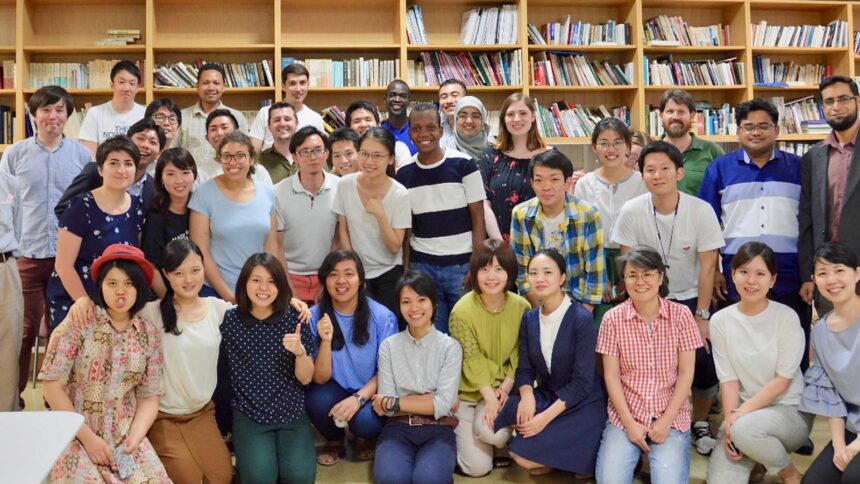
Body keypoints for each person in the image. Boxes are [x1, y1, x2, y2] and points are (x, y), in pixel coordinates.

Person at [612, 140, 725, 455]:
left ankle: (700, 421)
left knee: (703, 358)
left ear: (679, 172)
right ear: (642, 174)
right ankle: (640, 417)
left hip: (690, 298)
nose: (657, 175)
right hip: (646, 299)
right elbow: (629, 267)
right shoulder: (632, 211)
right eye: (650, 170)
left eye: (665, 169)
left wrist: (702, 316)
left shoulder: (700, 210)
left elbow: (708, 267)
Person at [40, 244, 170, 482]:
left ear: (140, 287)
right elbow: (51, 386)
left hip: (125, 439)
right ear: (100, 285)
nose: (120, 291)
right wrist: (88, 439)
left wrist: (134, 439)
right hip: (76, 436)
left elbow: (149, 396)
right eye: (112, 283)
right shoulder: (79, 322)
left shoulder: (148, 334)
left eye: (129, 283)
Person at [699, 98, 810, 370]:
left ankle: (792, 396)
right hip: (735, 276)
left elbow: (811, 221)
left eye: (764, 126)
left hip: (789, 275)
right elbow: (707, 225)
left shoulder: (799, 167)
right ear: (738, 131)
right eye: (749, 127)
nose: (756, 132)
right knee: (739, 351)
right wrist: (714, 271)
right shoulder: (719, 169)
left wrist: (809, 274)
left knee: (791, 347)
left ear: (777, 130)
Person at [0, 85, 91, 407]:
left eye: (60, 110)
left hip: (67, 259)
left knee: (63, 331)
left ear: (68, 115)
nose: (53, 116)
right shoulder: (14, 155)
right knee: (20, 333)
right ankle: (12, 400)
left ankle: (60, 404)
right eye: (46, 110)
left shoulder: (82, 156)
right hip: (27, 256)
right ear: (33, 114)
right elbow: (5, 206)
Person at [595, 246, 703, 483]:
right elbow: (611, 376)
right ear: (623, 280)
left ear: (660, 277)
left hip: (670, 416)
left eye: (648, 274)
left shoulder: (682, 315)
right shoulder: (612, 319)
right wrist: (629, 423)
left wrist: (666, 420)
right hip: (626, 416)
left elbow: (686, 373)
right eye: (632, 275)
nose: (640, 281)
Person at [493, 249, 606, 477]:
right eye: (533, 273)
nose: (540, 279)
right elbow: (525, 368)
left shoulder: (581, 319)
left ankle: (576, 456)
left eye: (547, 272)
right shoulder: (530, 319)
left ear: (562, 277)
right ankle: (558, 455)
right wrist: (527, 396)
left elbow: (582, 383)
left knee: (532, 456)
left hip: (582, 401)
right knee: (519, 453)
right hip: (549, 394)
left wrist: (543, 419)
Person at [706, 242, 810, 484]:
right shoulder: (720, 321)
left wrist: (739, 418)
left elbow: (783, 381)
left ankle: (788, 472)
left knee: (745, 431)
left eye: (760, 274)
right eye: (744, 272)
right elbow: (728, 380)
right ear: (733, 274)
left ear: (772, 280)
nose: (751, 281)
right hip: (742, 415)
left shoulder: (786, 317)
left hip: (788, 411)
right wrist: (729, 424)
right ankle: (758, 457)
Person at [141, 239, 234, 483]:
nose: (189, 279)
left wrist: (289, 303)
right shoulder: (152, 312)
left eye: (195, 270)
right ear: (166, 275)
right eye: (179, 273)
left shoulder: (217, 309)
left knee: (221, 477)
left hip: (202, 413)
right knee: (188, 479)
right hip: (163, 415)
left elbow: (256, 311)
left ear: (204, 268)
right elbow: (112, 313)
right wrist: (83, 304)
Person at [221, 253, 316, 484]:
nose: (263, 288)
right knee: (259, 479)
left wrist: (299, 352)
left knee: (301, 478)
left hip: (291, 411)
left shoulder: (295, 318)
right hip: (249, 413)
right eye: (256, 280)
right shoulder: (230, 319)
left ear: (280, 285)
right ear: (244, 282)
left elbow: (306, 379)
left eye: (272, 281)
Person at [396, 103, 486, 332]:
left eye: (430, 127)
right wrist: (407, 268)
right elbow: (407, 228)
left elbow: (478, 217)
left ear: (441, 130)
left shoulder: (464, 164)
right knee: (432, 333)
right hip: (423, 266)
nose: (424, 134)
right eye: (416, 129)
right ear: (409, 133)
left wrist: (476, 264)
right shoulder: (404, 173)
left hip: (461, 266)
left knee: (465, 330)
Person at [307, 250, 398, 466]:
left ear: (361, 281)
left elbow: (387, 372)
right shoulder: (314, 316)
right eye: (333, 274)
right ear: (325, 282)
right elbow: (319, 378)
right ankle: (334, 439)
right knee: (315, 400)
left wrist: (358, 399)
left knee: (365, 421)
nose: (341, 281)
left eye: (349, 274)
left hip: (372, 389)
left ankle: (364, 437)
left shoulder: (382, 317)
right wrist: (326, 340)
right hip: (334, 387)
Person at [447, 239, 530, 477]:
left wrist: (506, 386)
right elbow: (471, 359)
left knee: (493, 434)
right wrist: (490, 398)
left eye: (499, 269)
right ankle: (466, 432)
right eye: (484, 269)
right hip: (470, 392)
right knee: (477, 468)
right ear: (474, 272)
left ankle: (493, 441)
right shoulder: (461, 311)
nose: (491, 276)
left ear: (509, 272)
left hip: (502, 389)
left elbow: (520, 352)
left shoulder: (522, 307)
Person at [372, 271, 463, 484]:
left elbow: (443, 404)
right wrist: (432, 399)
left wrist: (395, 402)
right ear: (399, 306)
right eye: (406, 302)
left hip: (439, 428)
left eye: (421, 300)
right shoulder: (389, 347)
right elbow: (386, 408)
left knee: (428, 480)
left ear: (433, 303)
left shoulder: (450, 347)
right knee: (391, 479)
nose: (414, 308)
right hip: (397, 428)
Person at [47, 136, 146, 328]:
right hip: (75, 298)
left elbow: (135, 258)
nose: (121, 170)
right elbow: (63, 265)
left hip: (117, 301)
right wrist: (82, 300)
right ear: (100, 169)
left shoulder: (137, 207)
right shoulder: (80, 206)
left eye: (128, 164)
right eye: (113, 163)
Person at [189, 130, 282, 303]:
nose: (233, 162)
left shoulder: (267, 193)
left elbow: (271, 249)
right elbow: (201, 252)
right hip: (215, 292)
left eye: (240, 156)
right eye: (226, 156)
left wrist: (268, 288)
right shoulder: (204, 193)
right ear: (219, 159)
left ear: (251, 159)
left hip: (258, 292)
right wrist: (229, 297)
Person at [510, 148, 606, 309]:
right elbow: (521, 272)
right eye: (539, 180)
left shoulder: (587, 214)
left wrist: (583, 314)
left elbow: (595, 271)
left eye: (554, 179)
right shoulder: (521, 214)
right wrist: (541, 313)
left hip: (576, 300)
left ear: (567, 183)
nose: (546, 187)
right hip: (537, 300)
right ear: (532, 183)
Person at [574, 118, 647, 323]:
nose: (611, 149)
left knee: (633, 324)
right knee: (598, 327)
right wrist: (600, 277)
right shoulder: (584, 184)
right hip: (595, 260)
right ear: (594, 147)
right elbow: (582, 234)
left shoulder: (642, 182)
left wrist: (629, 273)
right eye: (604, 143)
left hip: (635, 258)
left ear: (628, 146)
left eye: (617, 143)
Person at [333, 127, 411, 316]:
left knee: (388, 325)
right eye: (364, 154)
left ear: (390, 158)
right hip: (356, 272)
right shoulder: (345, 184)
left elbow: (394, 247)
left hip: (388, 273)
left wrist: (380, 214)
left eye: (377, 156)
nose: (369, 162)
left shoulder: (400, 194)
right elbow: (343, 231)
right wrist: (353, 270)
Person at [799, 242, 860, 483]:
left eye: (839, 270)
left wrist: (856, 447)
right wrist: (839, 445)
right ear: (814, 280)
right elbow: (831, 394)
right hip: (852, 425)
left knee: (853, 477)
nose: (831, 280)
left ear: (857, 274)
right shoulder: (820, 332)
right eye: (823, 273)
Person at [799, 75, 860, 316]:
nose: (836, 106)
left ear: (857, 101)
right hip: (829, 276)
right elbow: (807, 219)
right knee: (833, 335)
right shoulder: (813, 157)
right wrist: (808, 274)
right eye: (829, 101)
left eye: (843, 99)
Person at [275, 126, 339, 304]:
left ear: (326, 153)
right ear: (294, 157)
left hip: (329, 273)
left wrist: (328, 279)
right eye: (305, 152)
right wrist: (288, 288)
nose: (313, 157)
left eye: (318, 150)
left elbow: (339, 239)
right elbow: (277, 245)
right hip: (290, 274)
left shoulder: (340, 187)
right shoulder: (278, 192)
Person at [55, 118, 165, 218]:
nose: (145, 145)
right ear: (128, 140)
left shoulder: (154, 188)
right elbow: (64, 208)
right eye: (140, 138)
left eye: (153, 142)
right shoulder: (94, 171)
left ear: (159, 153)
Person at [480, 93, 548, 240]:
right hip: (499, 242)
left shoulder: (549, 157)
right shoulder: (490, 155)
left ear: (533, 116)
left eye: (523, 113)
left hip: (541, 241)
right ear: (504, 119)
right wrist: (499, 243)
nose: (516, 119)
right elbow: (484, 204)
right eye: (510, 114)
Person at [177, 63, 247, 168]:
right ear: (197, 86)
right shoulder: (181, 117)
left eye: (216, 83)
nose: (211, 88)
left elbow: (244, 153)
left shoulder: (237, 117)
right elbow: (173, 153)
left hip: (229, 175)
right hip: (192, 177)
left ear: (223, 87)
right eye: (205, 83)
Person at [658, 89, 724, 195]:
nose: (675, 117)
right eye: (670, 111)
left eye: (681, 112)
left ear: (692, 115)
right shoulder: (650, 152)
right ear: (661, 115)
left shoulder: (712, 151)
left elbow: (727, 190)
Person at [141, 148, 197, 271]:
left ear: (194, 175)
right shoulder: (155, 216)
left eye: (185, 172)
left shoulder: (201, 207)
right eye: (171, 174)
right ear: (161, 178)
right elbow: (151, 265)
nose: (179, 180)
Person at [250, 63, 325, 152]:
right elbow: (254, 151)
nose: (298, 89)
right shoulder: (265, 113)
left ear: (308, 85)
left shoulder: (316, 118)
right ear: (283, 86)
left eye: (302, 83)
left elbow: (320, 151)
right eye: (292, 83)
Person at [78, 60, 146, 157]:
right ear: (112, 85)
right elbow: (90, 156)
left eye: (132, 83)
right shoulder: (95, 113)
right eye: (121, 82)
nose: (127, 88)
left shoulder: (145, 115)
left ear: (137, 88)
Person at [198, 109, 272, 185]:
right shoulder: (200, 173)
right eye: (213, 129)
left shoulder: (259, 171)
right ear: (207, 138)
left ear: (237, 132)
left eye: (224, 127)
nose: (219, 133)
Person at [0, 169, 22, 411]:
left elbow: (17, 228)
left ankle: (6, 418)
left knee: (7, 350)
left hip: (5, 267)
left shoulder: (10, 183)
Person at [344, 100, 411, 170]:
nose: (363, 125)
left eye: (368, 120)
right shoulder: (345, 153)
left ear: (378, 124)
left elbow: (405, 175)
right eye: (357, 121)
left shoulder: (397, 148)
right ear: (348, 128)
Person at [256, 101, 298, 184]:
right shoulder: (258, 162)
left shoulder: (312, 157)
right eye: (277, 120)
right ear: (269, 127)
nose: (282, 123)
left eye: (287, 119)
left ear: (296, 124)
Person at [447, 95, 491, 161]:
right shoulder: (446, 153)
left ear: (482, 120)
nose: (469, 121)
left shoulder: (495, 150)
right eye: (463, 116)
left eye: (475, 116)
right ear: (456, 119)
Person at [381, 79, 417, 155]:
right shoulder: (379, 130)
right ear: (385, 99)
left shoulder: (418, 129)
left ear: (409, 101)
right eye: (392, 95)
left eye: (402, 96)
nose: (397, 99)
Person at [438, 79, 467, 146]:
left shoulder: (477, 126)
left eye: (454, 95)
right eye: (444, 97)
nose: (449, 101)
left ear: (465, 99)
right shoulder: (434, 125)